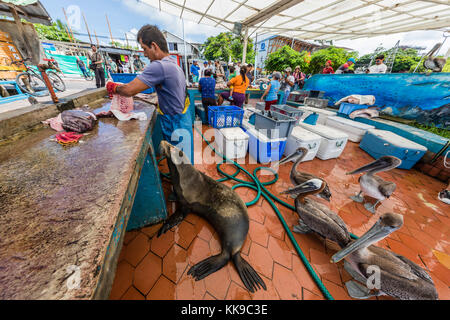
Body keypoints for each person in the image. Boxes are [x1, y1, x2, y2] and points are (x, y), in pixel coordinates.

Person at [106, 24, 192, 158]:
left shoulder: (159, 66)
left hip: (174, 123)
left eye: (144, 49)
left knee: (179, 163)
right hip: (182, 120)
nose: (145, 54)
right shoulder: (173, 63)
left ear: (154, 46)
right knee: (184, 162)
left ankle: (180, 179)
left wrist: (112, 87)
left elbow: (129, 90)